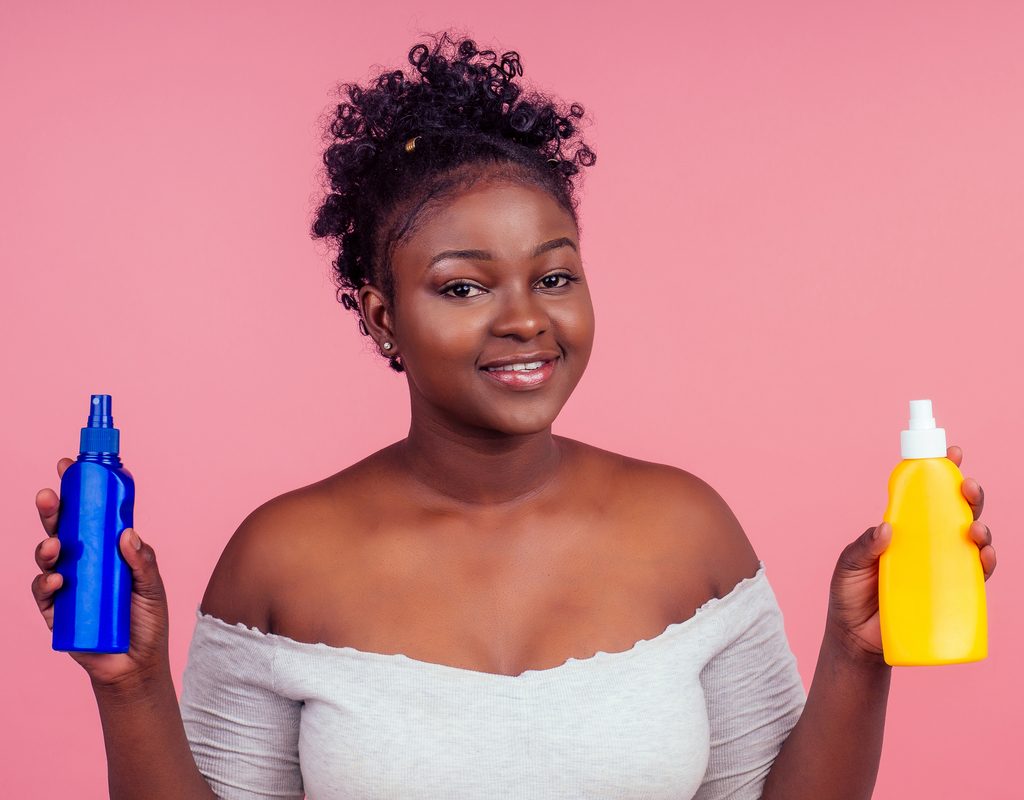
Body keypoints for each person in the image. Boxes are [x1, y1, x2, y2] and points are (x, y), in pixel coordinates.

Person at [31, 30, 998, 800]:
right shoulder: (284, 555)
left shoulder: (686, 529)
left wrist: (854, 657)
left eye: (555, 275)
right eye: (463, 288)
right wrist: (132, 685)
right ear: (383, 316)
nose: (527, 317)